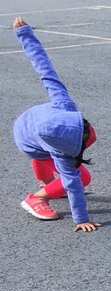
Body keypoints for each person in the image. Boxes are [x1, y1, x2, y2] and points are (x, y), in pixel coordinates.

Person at [10, 17, 99, 232]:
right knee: (82, 177)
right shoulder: (62, 154)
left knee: (44, 154)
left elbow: (45, 69)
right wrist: (81, 219)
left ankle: (46, 181)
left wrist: (25, 35)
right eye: (83, 143)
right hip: (29, 140)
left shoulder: (64, 105)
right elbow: (74, 184)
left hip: (31, 122)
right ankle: (36, 199)